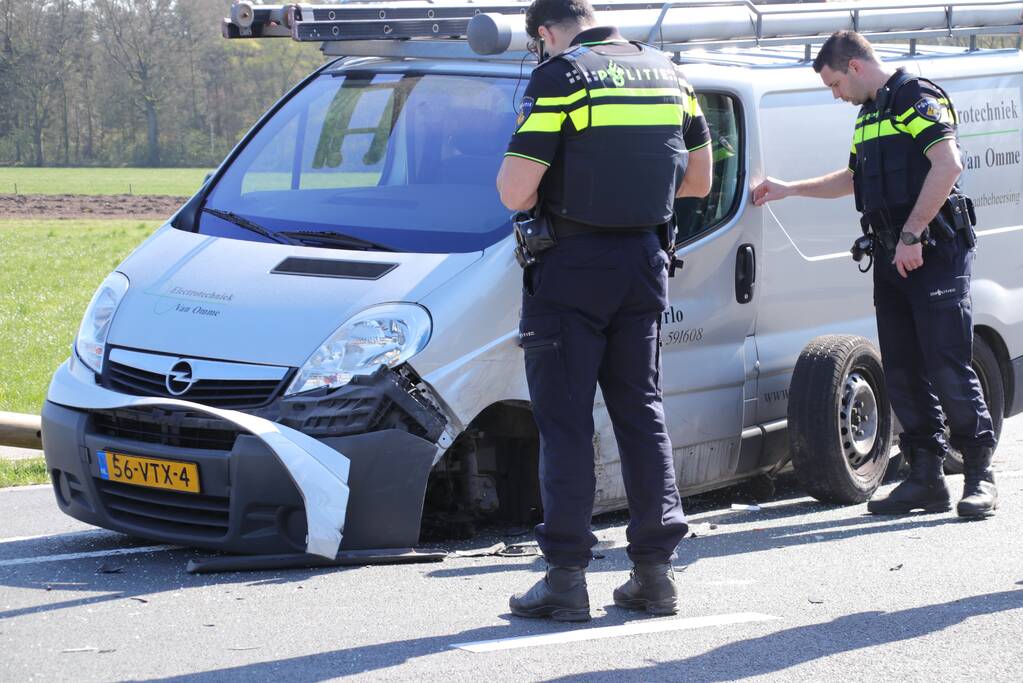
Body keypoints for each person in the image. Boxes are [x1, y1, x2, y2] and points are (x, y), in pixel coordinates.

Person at [495, 0, 712, 621]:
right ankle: (655, 575)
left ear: (544, 32)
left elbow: (515, 190)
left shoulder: (562, 75)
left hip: (570, 266)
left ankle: (565, 578)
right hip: (645, 262)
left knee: (565, 422)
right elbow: (697, 181)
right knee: (641, 412)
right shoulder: (670, 73)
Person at [752, 31, 998, 519]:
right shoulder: (870, 115)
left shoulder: (916, 99)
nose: (835, 94)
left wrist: (911, 236)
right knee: (903, 369)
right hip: (892, 254)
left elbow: (947, 165)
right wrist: (788, 189)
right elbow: (853, 178)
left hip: (933, 253)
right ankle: (925, 477)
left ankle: (979, 476)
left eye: (835, 83)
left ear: (855, 67)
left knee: (947, 366)